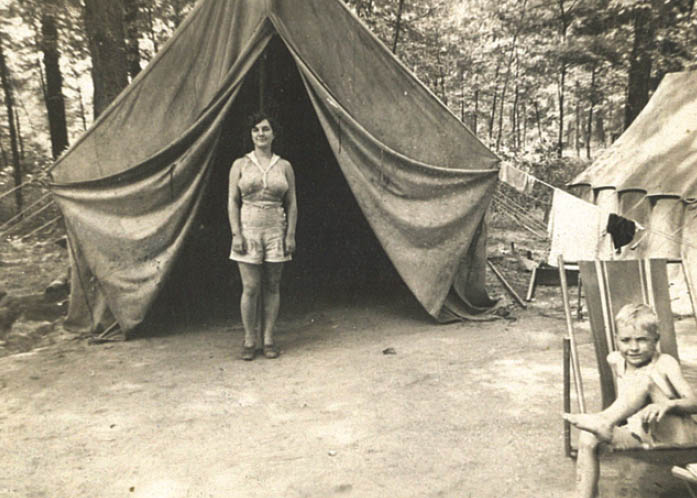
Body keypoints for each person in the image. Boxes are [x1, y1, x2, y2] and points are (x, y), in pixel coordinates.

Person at [563, 303, 697, 498]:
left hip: (679, 436)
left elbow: (694, 402)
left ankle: (603, 420)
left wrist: (667, 404)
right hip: (643, 435)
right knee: (588, 438)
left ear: (656, 340)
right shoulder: (616, 360)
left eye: (642, 340)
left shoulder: (665, 363)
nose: (633, 347)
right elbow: (625, 400)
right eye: (626, 340)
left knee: (645, 381)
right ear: (616, 340)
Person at [228, 112, 297, 360]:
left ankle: (268, 338)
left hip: (276, 230)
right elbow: (232, 201)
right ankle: (249, 338)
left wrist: (290, 235)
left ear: (273, 134)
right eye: (256, 130)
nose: (261, 134)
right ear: (251, 135)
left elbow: (292, 203)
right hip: (248, 229)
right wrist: (236, 233)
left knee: (273, 284)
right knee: (250, 286)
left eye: (266, 129)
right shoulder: (240, 164)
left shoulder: (284, 166)